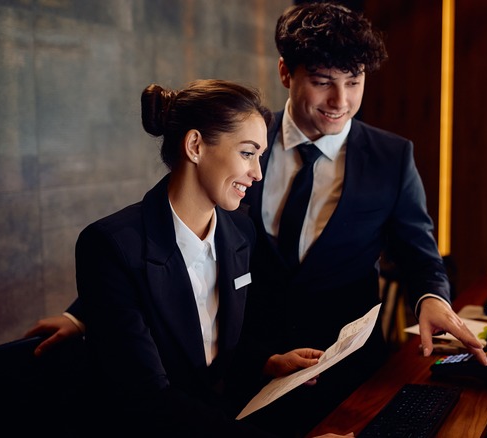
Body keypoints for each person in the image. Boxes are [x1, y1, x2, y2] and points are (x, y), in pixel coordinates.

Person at [27, 3, 487, 436]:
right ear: (287, 72)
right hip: (241, 375)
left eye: (354, 82)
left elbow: (419, 252)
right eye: (324, 81)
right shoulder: (238, 131)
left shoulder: (391, 157)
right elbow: (156, 243)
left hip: (334, 366)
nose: (340, 100)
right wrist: (87, 312)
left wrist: (432, 297)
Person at [63, 79, 350, 438]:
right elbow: (148, 399)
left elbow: (215, 345)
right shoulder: (109, 246)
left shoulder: (240, 231)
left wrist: (266, 362)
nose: (257, 173)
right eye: (247, 153)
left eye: (260, 156)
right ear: (196, 145)